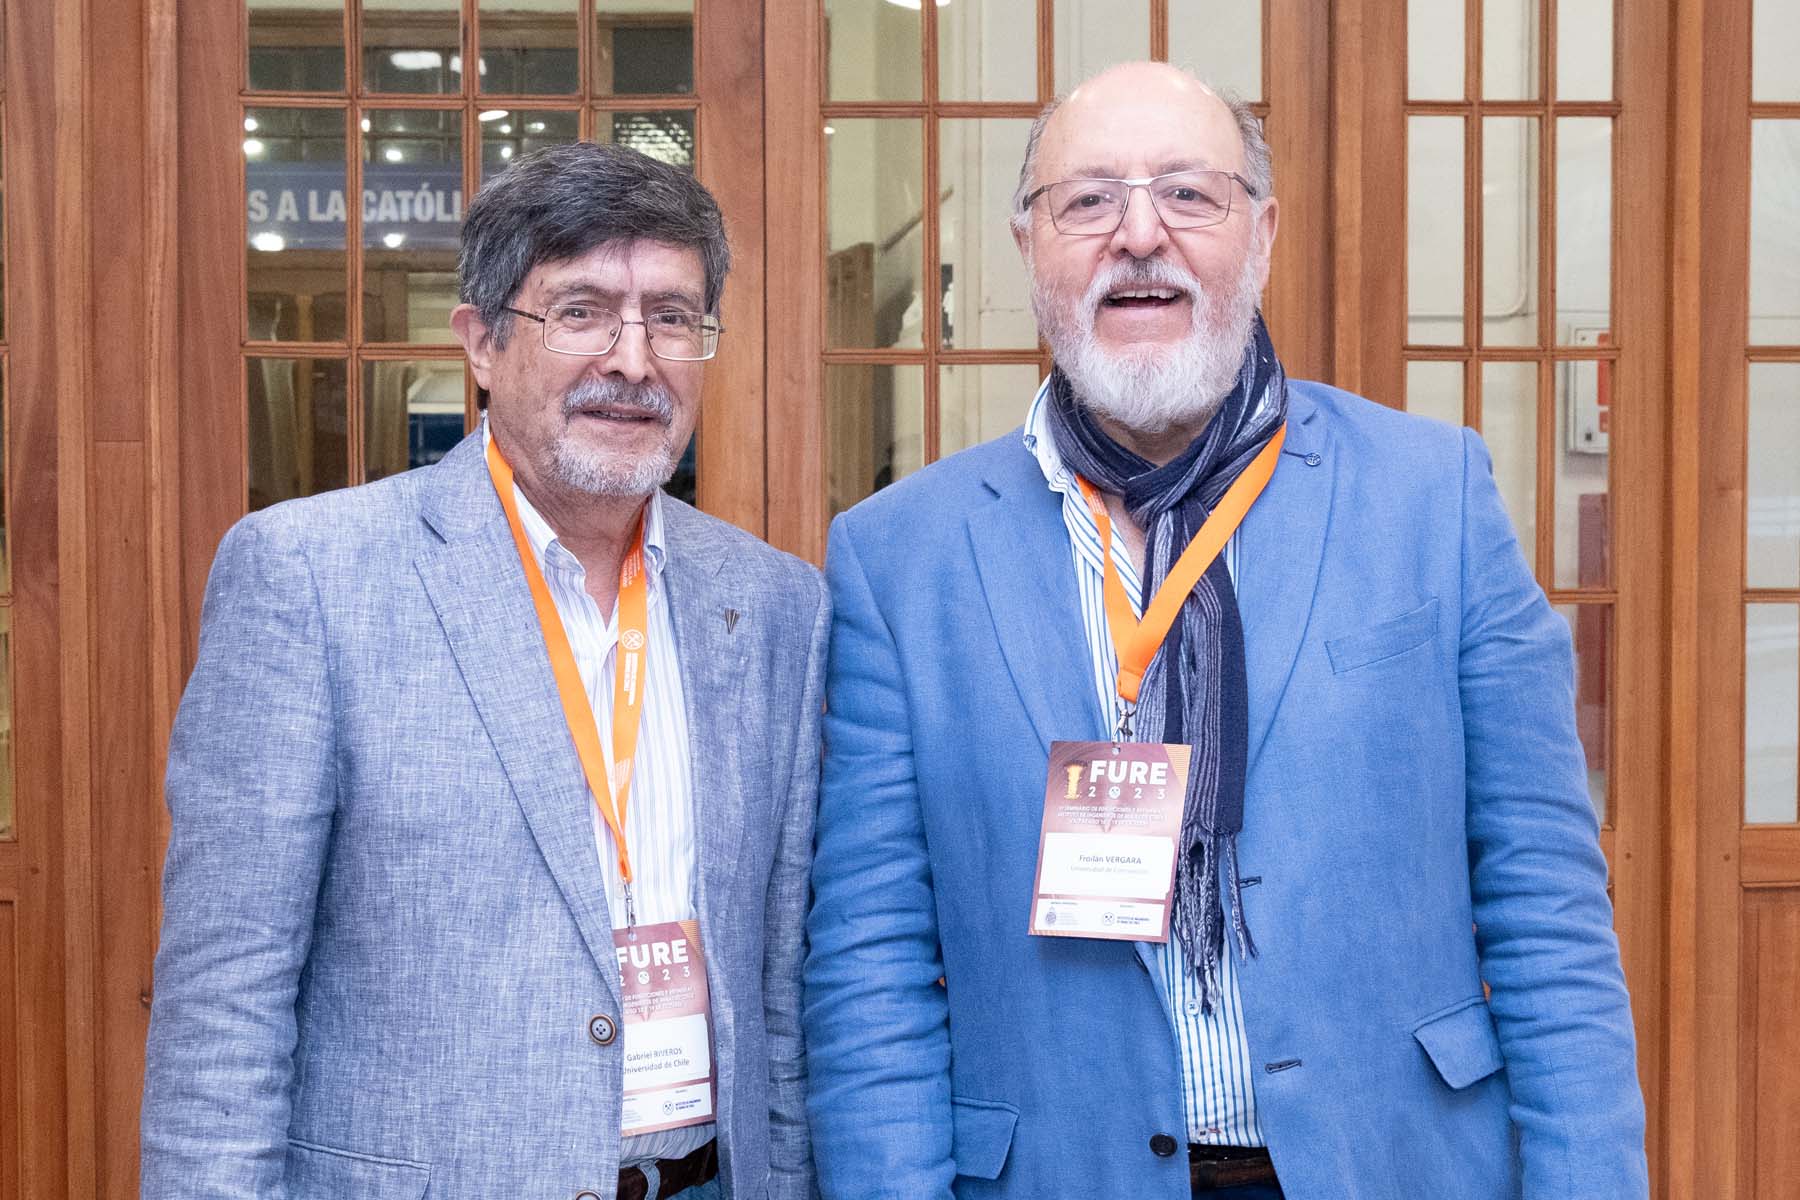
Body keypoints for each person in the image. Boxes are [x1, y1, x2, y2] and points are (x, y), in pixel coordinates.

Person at [804, 62, 1646, 1199]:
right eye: (1087, 200)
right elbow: (871, 969)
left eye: (1189, 194)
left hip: (1393, 1166)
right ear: (1027, 246)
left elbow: (1546, 904)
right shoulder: (901, 557)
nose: (1139, 235)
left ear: (1263, 234)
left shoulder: (1431, 498)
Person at [142, 142, 826, 1200]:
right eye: (581, 311)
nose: (633, 361)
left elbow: (778, 994)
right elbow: (225, 1000)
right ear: (482, 344)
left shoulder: (775, 604)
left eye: (672, 318)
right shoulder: (311, 578)